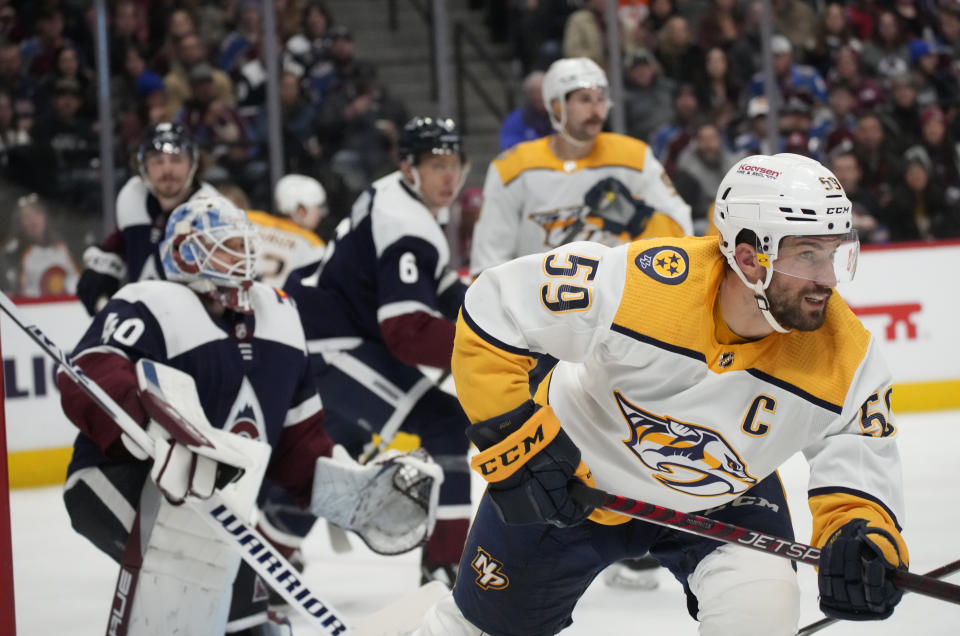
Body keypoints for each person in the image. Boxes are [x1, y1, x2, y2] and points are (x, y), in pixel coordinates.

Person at [414, 153, 908, 635]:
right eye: (807, 255)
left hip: (723, 494)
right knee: (479, 630)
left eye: (836, 253)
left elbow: (860, 451)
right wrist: (520, 445)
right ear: (747, 257)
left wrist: (863, 538)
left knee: (763, 611)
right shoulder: (643, 285)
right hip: (573, 481)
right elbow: (493, 309)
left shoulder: (848, 356)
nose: (828, 279)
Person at [58, 196, 440, 635]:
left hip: (212, 504)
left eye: (243, 244)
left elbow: (299, 441)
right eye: (224, 246)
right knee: (206, 572)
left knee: (250, 605)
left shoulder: (279, 315)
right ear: (184, 253)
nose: (241, 256)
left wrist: (353, 494)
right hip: (118, 478)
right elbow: (91, 369)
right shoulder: (151, 301)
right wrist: (153, 426)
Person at [283, 116, 473, 587]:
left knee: (328, 458)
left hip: (322, 339)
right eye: (437, 165)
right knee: (446, 422)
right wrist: (490, 350)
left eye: (455, 164)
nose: (449, 177)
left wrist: (490, 318)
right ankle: (446, 565)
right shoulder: (407, 225)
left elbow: (442, 287)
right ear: (409, 168)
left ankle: (268, 550)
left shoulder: (391, 193)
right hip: (336, 346)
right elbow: (406, 333)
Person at [470, 57, 692, 278]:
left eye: (601, 99)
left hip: (619, 300)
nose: (596, 110)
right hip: (540, 303)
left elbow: (680, 231)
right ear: (556, 107)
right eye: (585, 99)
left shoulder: (634, 157)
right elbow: (490, 256)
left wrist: (638, 220)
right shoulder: (513, 167)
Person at [76, 121, 220, 315]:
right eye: (158, 161)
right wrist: (103, 271)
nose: (167, 170)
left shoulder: (213, 210)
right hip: (143, 327)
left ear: (193, 163)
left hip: (195, 328)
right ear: (143, 166)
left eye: (176, 159)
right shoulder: (132, 198)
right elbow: (120, 246)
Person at [247, 174, 327, 288]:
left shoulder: (249, 219)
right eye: (318, 207)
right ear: (301, 210)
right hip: (280, 303)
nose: (321, 214)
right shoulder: (313, 245)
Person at [1, 193, 78, 296]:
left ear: (45, 216)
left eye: (37, 213)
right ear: (19, 223)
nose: (33, 220)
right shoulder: (11, 254)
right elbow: (9, 292)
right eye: (26, 216)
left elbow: (78, 281)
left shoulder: (63, 249)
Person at [498, 70, 551, 151]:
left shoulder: (560, 116)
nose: (539, 97)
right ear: (527, 94)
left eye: (542, 91)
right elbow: (508, 147)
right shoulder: (514, 120)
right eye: (534, 92)